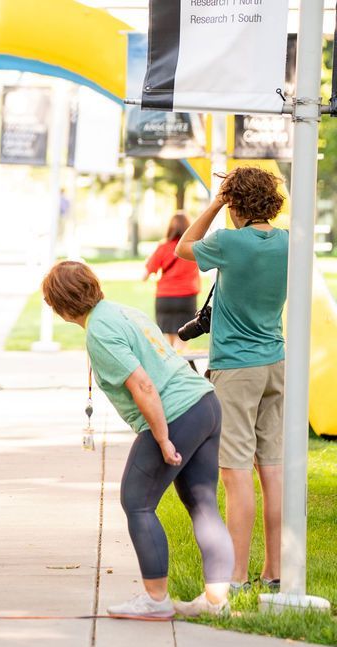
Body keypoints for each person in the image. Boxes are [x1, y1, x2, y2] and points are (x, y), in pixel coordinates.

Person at [42, 261, 233, 618]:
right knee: (203, 502)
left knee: (137, 501)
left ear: (61, 306)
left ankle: (156, 600)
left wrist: (162, 439)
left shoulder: (99, 330)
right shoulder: (120, 311)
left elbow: (144, 385)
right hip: (204, 403)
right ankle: (216, 600)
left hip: (175, 413)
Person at [176, 166, 289, 593]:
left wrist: (217, 201)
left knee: (235, 471)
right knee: (272, 469)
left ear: (236, 203)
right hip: (275, 363)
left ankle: (238, 575)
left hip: (236, 368)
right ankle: (274, 571)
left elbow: (185, 247)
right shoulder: (287, 243)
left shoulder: (227, 242)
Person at [143, 213, 201, 350]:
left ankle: (168, 369)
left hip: (165, 298)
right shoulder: (194, 247)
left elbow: (145, 275)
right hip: (187, 297)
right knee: (182, 341)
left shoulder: (163, 247)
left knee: (165, 345)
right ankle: (181, 368)